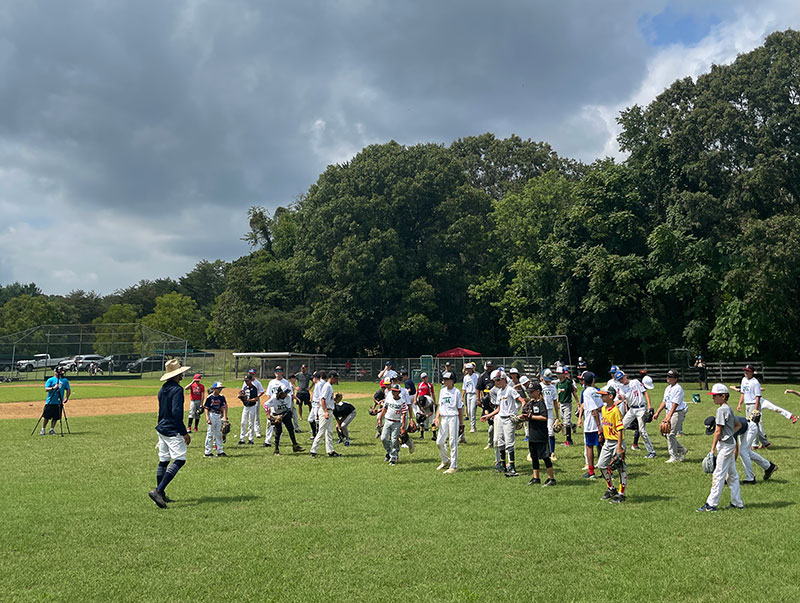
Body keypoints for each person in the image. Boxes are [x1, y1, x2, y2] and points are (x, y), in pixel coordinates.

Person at [149, 359, 192, 509]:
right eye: (180, 373)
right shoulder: (178, 390)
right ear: (177, 375)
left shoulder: (163, 389)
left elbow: (162, 412)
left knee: (164, 460)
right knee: (180, 459)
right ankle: (158, 490)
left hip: (162, 428)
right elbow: (176, 413)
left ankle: (161, 494)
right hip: (172, 430)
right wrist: (184, 432)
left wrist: (161, 429)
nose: (182, 375)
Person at [697, 384, 744, 511]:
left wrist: (712, 449)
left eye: (715, 396)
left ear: (723, 396)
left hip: (725, 446)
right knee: (732, 475)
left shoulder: (721, 410)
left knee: (718, 474)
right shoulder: (728, 408)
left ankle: (711, 504)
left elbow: (717, 431)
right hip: (730, 443)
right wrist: (729, 434)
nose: (713, 398)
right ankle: (737, 502)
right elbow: (738, 425)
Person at [481, 369, 524, 477]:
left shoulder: (510, 390)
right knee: (500, 442)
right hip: (500, 417)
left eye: (498, 380)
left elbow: (522, 400)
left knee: (509, 443)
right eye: (495, 380)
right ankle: (503, 466)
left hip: (509, 418)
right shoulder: (499, 391)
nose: (496, 382)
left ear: (504, 379)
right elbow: (499, 408)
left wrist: (522, 413)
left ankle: (512, 467)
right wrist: (488, 416)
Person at [596, 386, 628, 504]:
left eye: (603, 395)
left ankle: (621, 494)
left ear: (610, 396)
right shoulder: (604, 409)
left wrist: (619, 447)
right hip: (608, 442)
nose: (601, 396)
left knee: (621, 468)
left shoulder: (616, 411)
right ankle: (611, 489)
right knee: (601, 465)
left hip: (617, 442)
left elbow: (620, 430)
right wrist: (602, 436)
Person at [520, 382, 555, 487]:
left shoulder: (541, 403)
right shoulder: (531, 403)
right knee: (534, 456)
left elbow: (544, 417)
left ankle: (551, 478)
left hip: (541, 434)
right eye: (529, 392)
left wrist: (532, 417)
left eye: (532, 392)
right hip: (532, 434)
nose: (530, 394)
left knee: (545, 457)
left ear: (538, 392)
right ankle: (536, 477)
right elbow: (525, 412)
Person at [618, 371, 656, 459]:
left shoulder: (635, 382)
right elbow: (623, 398)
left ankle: (651, 452)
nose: (621, 380)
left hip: (641, 408)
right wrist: (621, 398)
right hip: (632, 409)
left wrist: (649, 406)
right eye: (619, 379)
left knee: (642, 431)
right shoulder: (621, 388)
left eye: (621, 378)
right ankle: (622, 449)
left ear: (625, 376)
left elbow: (645, 392)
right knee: (621, 427)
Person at [653, 369, 688, 463]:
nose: (668, 378)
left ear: (676, 379)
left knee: (671, 434)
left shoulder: (678, 389)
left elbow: (675, 404)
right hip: (669, 411)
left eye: (671, 377)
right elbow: (664, 401)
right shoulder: (668, 388)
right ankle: (682, 450)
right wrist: (657, 413)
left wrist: (669, 416)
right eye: (668, 376)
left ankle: (674, 456)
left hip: (677, 412)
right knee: (665, 432)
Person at [434, 371, 464, 474]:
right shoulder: (442, 391)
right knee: (439, 442)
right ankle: (445, 461)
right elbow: (440, 406)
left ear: (452, 381)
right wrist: (437, 418)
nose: (445, 381)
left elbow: (460, 408)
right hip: (444, 418)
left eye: (447, 380)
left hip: (453, 417)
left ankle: (453, 466)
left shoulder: (456, 392)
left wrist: (461, 423)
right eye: (444, 379)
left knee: (452, 442)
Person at [264, 385, 304, 455]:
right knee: (278, 432)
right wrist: (268, 415)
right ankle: (276, 450)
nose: (286, 394)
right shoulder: (274, 398)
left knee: (291, 429)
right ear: (280, 393)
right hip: (276, 414)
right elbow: (265, 405)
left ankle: (295, 446)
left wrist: (281, 416)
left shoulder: (288, 397)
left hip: (285, 414)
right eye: (284, 393)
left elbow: (288, 409)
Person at [310, 370, 341, 458]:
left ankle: (330, 451)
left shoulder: (329, 386)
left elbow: (327, 400)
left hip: (329, 410)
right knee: (322, 431)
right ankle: (313, 451)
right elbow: (322, 399)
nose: (336, 380)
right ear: (331, 377)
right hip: (325, 411)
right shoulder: (327, 386)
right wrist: (326, 411)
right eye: (335, 378)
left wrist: (335, 400)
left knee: (329, 432)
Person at [577, 372, 602, 479]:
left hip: (592, 424)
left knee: (589, 446)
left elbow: (593, 410)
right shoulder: (597, 391)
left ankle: (591, 472)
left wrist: (598, 425)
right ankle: (605, 471)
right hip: (601, 420)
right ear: (592, 380)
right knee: (601, 446)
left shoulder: (586, 392)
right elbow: (601, 407)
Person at [378, 384, 407, 465]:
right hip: (387, 421)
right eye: (393, 391)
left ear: (399, 392)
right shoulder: (389, 399)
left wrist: (402, 426)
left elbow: (404, 414)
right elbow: (384, 409)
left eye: (395, 391)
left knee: (394, 440)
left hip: (396, 422)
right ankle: (389, 451)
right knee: (383, 438)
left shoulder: (402, 402)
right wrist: (380, 419)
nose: (393, 393)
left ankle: (393, 458)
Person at [264, 366, 292, 447]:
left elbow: (288, 394)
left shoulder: (285, 382)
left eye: (279, 370)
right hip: (273, 404)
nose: (278, 372)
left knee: (280, 424)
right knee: (269, 423)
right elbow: (269, 394)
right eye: (276, 370)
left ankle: (277, 441)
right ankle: (267, 441)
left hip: (281, 405)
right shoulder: (271, 382)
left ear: (282, 372)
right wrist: (268, 407)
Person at [41, 366, 70, 435]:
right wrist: (53, 388)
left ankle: (52, 429)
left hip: (59, 401)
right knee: (46, 416)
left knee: (56, 417)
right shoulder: (50, 380)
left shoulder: (64, 380)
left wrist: (66, 397)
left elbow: (68, 389)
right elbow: (46, 389)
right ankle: (43, 429)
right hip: (50, 401)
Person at [203, 382, 228, 457]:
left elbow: (223, 408)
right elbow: (206, 409)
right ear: (214, 389)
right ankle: (207, 452)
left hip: (218, 415)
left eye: (221, 388)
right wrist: (207, 418)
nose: (220, 390)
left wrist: (224, 417)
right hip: (211, 415)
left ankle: (220, 451)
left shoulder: (221, 397)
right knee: (210, 433)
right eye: (218, 388)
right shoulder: (209, 398)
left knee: (219, 433)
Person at [555, 366, 578, 447]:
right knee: (563, 418)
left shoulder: (567, 383)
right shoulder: (558, 384)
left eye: (559, 373)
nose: (558, 375)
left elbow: (574, 392)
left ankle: (569, 440)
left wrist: (578, 402)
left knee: (566, 422)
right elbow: (558, 394)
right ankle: (573, 426)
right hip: (561, 403)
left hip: (567, 404)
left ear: (563, 374)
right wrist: (557, 402)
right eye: (557, 373)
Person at [476, 361, 496, 450]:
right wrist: (478, 399)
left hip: (498, 407)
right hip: (489, 407)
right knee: (491, 426)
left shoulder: (496, 375)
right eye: (488, 366)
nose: (489, 368)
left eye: (491, 366)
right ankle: (490, 443)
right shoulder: (482, 376)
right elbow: (478, 388)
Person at [241, 369, 265, 438]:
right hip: (248, 401)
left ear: (254, 374)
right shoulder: (246, 382)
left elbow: (262, 391)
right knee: (248, 417)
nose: (251, 375)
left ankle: (257, 431)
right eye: (250, 373)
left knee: (256, 416)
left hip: (255, 400)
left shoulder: (257, 382)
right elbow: (243, 390)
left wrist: (257, 397)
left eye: (252, 374)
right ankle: (249, 432)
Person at [540, 370, 558, 460]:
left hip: (549, 410)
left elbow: (555, 401)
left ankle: (552, 452)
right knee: (540, 432)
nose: (547, 382)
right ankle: (540, 451)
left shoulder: (552, 387)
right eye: (545, 379)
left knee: (551, 432)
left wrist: (557, 416)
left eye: (549, 380)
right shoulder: (539, 386)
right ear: (541, 377)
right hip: (540, 410)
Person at [238, 374, 259, 445]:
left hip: (252, 407)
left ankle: (251, 439)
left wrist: (249, 400)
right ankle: (242, 439)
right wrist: (241, 397)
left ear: (251, 380)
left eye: (248, 381)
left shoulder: (254, 388)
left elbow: (256, 399)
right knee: (243, 422)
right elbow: (242, 395)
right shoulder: (244, 388)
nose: (247, 382)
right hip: (245, 407)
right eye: (245, 381)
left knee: (251, 423)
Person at [415, 372, 436, 440]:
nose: (425, 379)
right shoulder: (420, 385)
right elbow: (417, 393)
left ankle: (434, 435)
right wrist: (421, 411)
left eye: (426, 377)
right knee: (421, 419)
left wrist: (426, 416)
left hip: (428, 402)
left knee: (432, 420)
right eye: (423, 378)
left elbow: (431, 412)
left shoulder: (430, 401)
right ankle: (421, 435)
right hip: (422, 399)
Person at [462, 362, 479, 434]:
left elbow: (478, 387)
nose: (468, 370)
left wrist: (479, 396)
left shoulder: (476, 376)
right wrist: (462, 397)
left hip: (474, 394)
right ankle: (472, 425)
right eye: (467, 369)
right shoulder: (466, 377)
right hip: (468, 394)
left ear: (472, 369)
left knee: (472, 410)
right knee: (468, 411)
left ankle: (473, 427)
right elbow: (464, 388)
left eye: (469, 369)